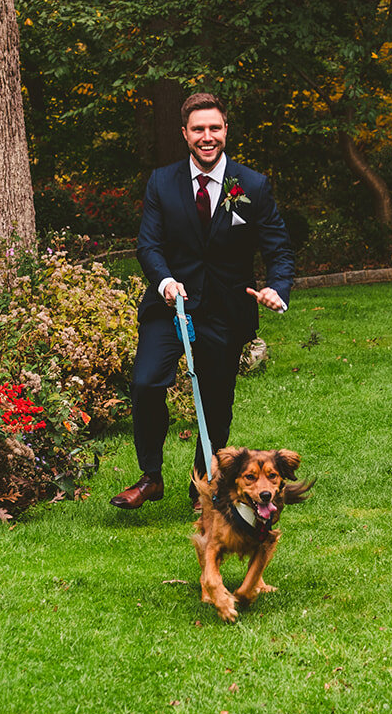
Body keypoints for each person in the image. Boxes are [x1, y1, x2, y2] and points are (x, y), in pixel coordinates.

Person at [110, 93, 295, 510]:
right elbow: (148, 245)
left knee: (214, 400)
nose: (207, 136)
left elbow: (279, 249)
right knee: (145, 383)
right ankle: (150, 477)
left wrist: (276, 289)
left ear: (225, 130)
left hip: (226, 310)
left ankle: (202, 487)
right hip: (171, 306)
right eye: (198, 129)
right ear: (185, 134)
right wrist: (165, 281)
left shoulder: (251, 185)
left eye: (214, 128)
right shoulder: (162, 182)